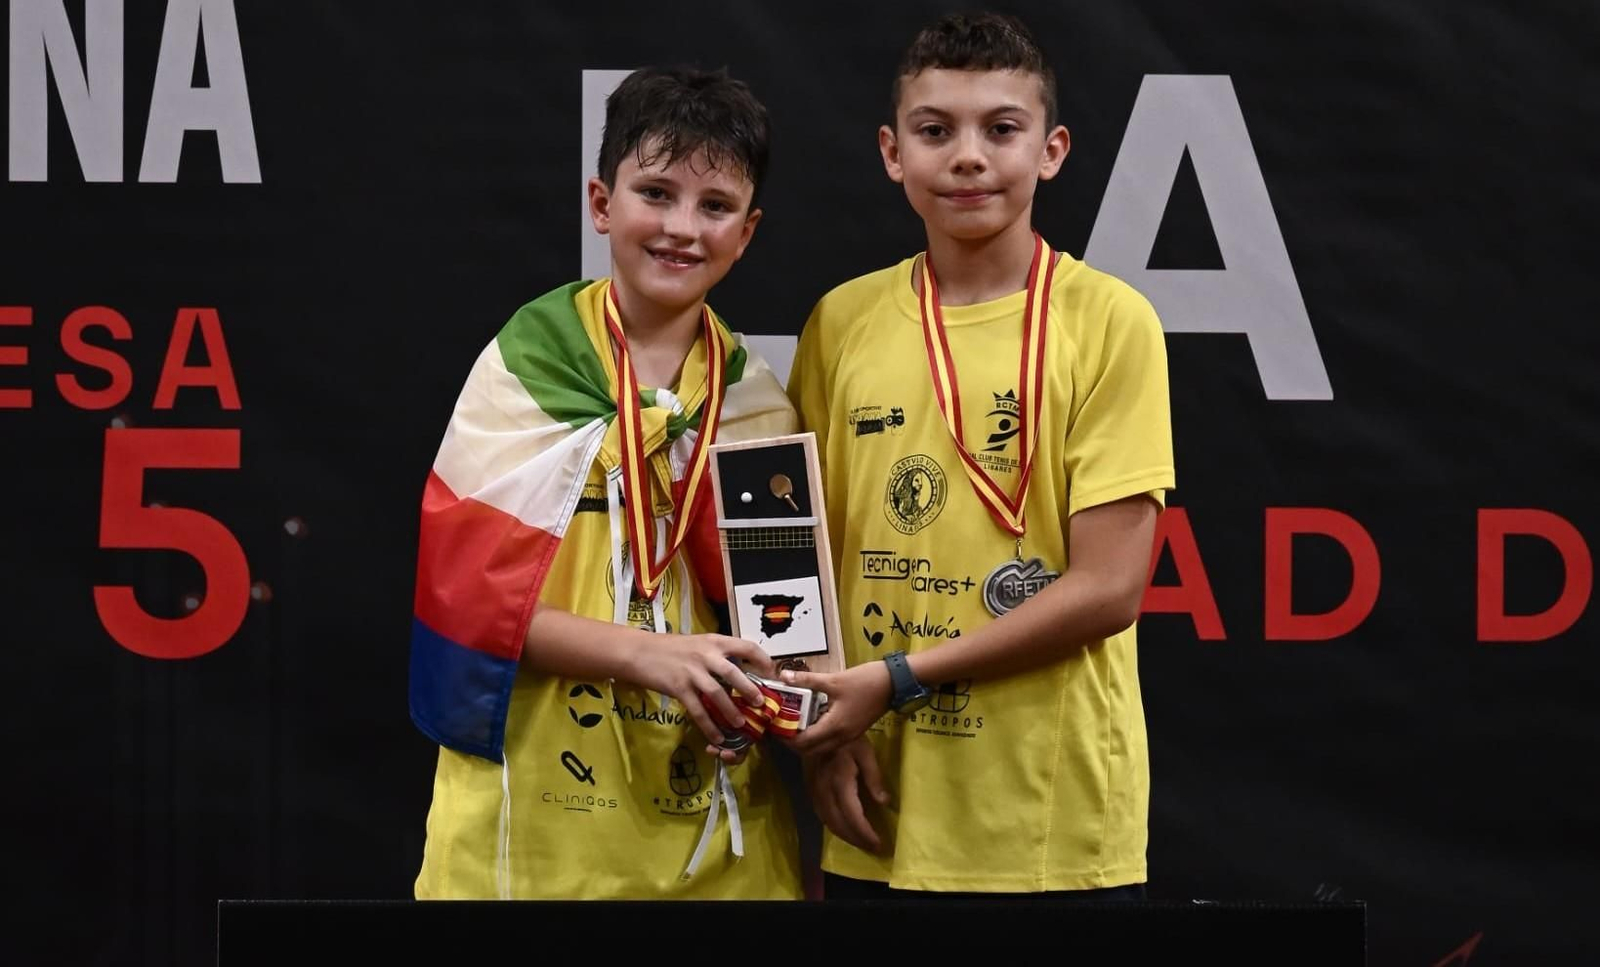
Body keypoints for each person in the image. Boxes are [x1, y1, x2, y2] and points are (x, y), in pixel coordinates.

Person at [783, 12, 1175, 899]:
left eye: (1002, 129)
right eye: (935, 131)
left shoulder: (1110, 322)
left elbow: (1110, 588)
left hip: (1052, 819)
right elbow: (800, 555)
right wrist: (827, 727)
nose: (968, 157)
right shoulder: (841, 321)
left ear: (1052, 150)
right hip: (877, 802)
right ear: (892, 153)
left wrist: (893, 679)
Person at [408, 65, 804, 899]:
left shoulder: (757, 402)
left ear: (748, 231)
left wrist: (762, 702)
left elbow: (785, 624)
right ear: (601, 204)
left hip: (712, 844)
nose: (681, 228)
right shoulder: (526, 367)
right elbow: (471, 605)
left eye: (715, 207)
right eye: (655, 193)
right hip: (534, 835)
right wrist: (656, 657)